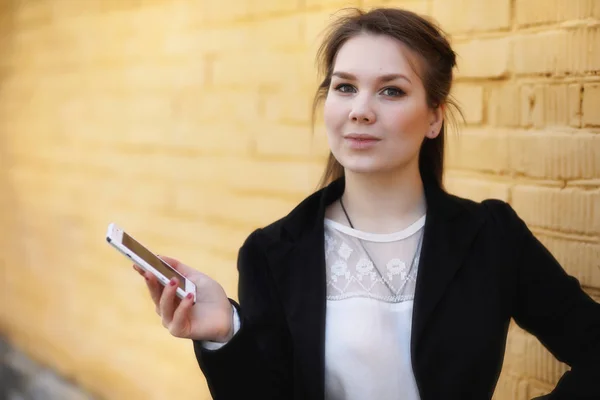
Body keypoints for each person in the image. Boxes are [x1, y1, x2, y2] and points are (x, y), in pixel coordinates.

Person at [133, 7, 600, 400]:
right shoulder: (273, 253)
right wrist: (225, 335)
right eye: (345, 87)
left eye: (391, 90)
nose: (360, 109)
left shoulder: (491, 237)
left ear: (434, 116)